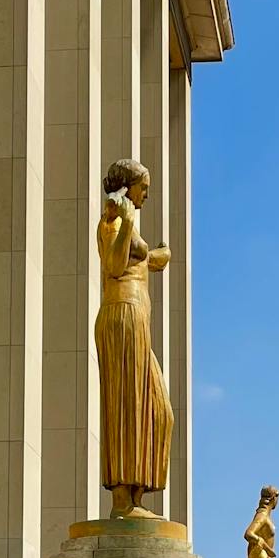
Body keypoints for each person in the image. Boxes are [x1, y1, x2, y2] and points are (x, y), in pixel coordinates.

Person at [96, 158, 173, 516]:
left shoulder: (128, 227)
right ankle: (123, 502)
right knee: (128, 405)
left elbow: (145, 259)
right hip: (121, 317)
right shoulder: (111, 223)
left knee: (159, 412)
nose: (147, 194)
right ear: (129, 187)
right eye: (144, 187)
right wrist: (125, 220)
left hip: (136, 320)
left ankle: (137, 495)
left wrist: (161, 254)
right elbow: (114, 265)